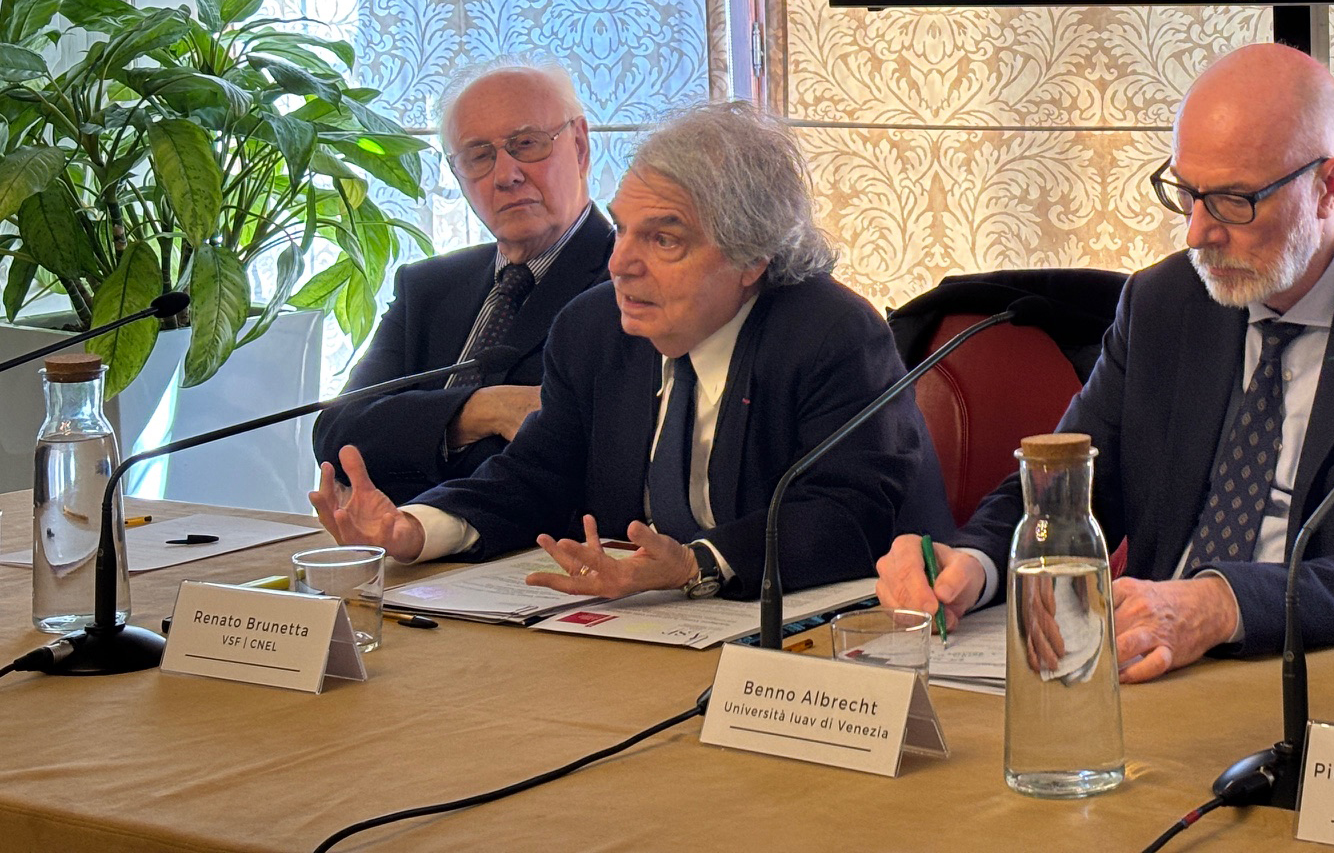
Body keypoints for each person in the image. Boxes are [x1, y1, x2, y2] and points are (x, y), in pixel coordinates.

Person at [875, 42, 1334, 680]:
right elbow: (1073, 486)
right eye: (1187, 193)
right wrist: (975, 563)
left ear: (1331, 185)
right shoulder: (1164, 302)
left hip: (1332, 676)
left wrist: (1225, 606)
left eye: (1233, 202)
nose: (1197, 232)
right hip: (1152, 668)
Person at [310, 101, 945, 602]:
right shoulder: (594, 328)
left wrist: (695, 564)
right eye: (623, 228)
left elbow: (847, 515)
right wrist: (415, 528)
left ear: (752, 258)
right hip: (649, 625)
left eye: (664, 240)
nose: (620, 263)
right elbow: (536, 477)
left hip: (837, 630)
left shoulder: (831, 333)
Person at [311, 62, 612, 504]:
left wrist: (406, 446)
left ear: (580, 147)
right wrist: (481, 409)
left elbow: (562, 459)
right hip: (396, 538)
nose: (506, 175)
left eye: (527, 144)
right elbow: (338, 433)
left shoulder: (626, 283)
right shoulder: (428, 287)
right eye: (479, 156)